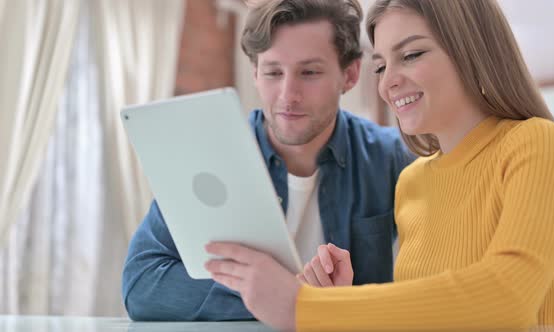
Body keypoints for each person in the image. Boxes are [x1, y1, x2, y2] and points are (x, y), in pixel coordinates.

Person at [204, 0, 554, 330]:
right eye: (381, 66)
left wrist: (304, 307)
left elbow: (509, 298)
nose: (388, 82)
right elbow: (432, 313)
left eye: (411, 55)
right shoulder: (412, 182)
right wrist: (341, 302)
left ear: (471, 50)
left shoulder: (535, 143)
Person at [121, 0, 414, 321]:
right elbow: (141, 283)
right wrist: (276, 295)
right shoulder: (209, 155)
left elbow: (431, 279)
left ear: (350, 74)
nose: (288, 95)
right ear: (256, 74)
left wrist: (299, 301)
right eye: (274, 72)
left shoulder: (391, 157)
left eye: (310, 72)